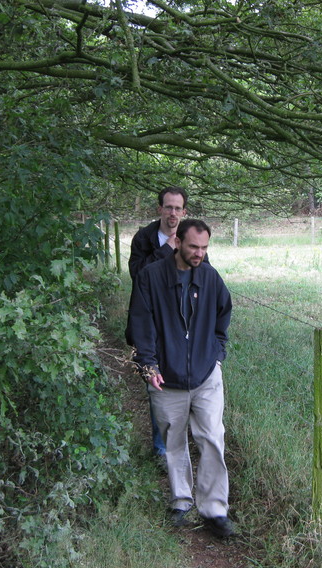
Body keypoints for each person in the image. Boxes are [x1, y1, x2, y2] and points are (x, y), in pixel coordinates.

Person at [129, 218, 235, 538]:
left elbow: (224, 315)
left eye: (204, 247)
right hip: (165, 377)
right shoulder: (150, 277)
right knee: (174, 442)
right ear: (177, 243)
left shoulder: (211, 278)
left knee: (212, 438)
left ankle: (214, 510)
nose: (199, 253)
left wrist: (217, 354)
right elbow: (140, 325)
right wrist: (148, 366)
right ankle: (181, 502)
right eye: (193, 246)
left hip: (206, 375)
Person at [126, 186, 190, 459]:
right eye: (168, 207)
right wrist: (167, 249)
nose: (173, 213)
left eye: (178, 208)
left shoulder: (189, 237)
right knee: (157, 385)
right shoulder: (144, 238)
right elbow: (138, 275)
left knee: (185, 385)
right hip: (151, 323)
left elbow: (202, 272)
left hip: (182, 323)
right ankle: (162, 450)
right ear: (159, 209)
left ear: (184, 212)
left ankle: (181, 442)